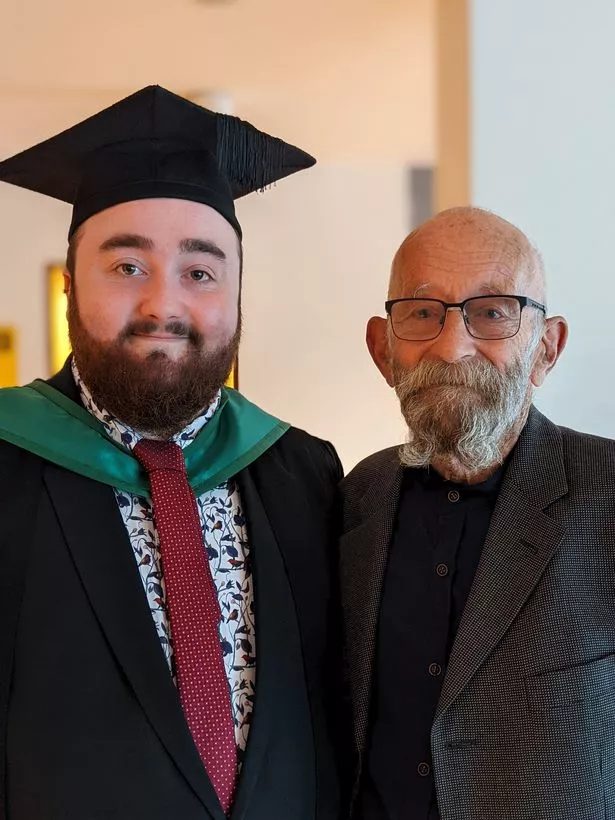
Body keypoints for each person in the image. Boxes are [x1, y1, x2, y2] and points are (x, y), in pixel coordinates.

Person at [0, 85, 344, 820]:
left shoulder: (304, 473)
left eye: (200, 271)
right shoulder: (7, 460)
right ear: (69, 287)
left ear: (237, 293)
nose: (164, 304)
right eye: (126, 267)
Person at [340, 205, 615, 820]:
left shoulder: (608, 493)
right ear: (383, 349)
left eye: (493, 312)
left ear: (547, 348)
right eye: (421, 312)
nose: (452, 345)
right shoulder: (356, 498)